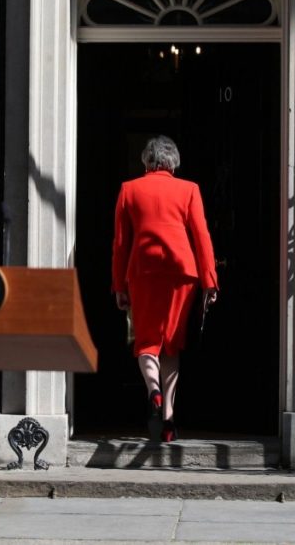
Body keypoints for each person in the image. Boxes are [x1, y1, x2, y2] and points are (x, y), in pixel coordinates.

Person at [111, 135, 218, 442]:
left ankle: (153, 390)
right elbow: (202, 236)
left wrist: (119, 284)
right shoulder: (189, 190)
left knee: (146, 341)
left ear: (147, 160)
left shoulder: (129, 189)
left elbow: (120, 244)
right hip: (182, 272)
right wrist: (209, 280)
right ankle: (169, 417)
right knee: (172, 343)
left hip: (142, 272)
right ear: (173, 162)